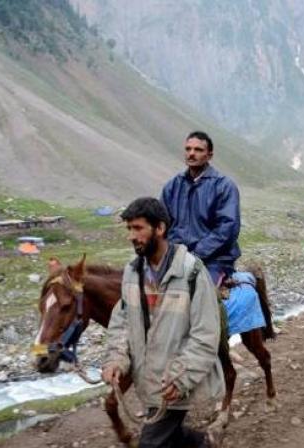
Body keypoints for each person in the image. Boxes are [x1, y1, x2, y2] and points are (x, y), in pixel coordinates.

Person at [103, 197, 223, 447]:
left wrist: (182, 376)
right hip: (149, 382)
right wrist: (116, 359)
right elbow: (122, 322)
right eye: (129, 229)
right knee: (171, 438)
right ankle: (202, 443)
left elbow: (206, 335)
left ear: (160, 228)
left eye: (138, 228)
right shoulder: (132, 273)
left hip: (175, 383)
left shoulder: (192, 273)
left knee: (151, 444)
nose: (131, 236)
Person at [160, 131, 241, 285]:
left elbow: (227, 229)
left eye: (198, 150)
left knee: (203, 294)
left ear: (209, 155)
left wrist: (195, 254)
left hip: (214, 260)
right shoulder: (172, 186)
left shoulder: (224, 186)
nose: (191, 153)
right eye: (188, 149)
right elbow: (161, 224)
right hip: (176, 257)